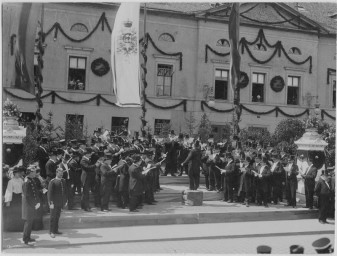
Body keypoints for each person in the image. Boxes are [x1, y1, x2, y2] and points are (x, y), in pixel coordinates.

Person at [22, 166, 41, 245]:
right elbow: (28, 196)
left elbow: (35, 192)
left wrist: (37, 202)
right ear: (30, 172)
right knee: (28, 222)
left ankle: (28, 237)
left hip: (32, 204)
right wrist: (34, 204)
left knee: (30, 222)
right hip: (29, 205)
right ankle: (25, 238)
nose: (35, 173)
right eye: (34, 172)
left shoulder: (31, 180)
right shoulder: (27, 181)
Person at [47, 168, 67, 238]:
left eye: (62, 173)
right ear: (56, 173)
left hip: (60, 202)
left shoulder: (63, 181)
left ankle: (55, 230)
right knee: (53, 217)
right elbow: (49, 194)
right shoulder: (53, 181)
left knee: (57, 216)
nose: (61, 174)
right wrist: (50, 203)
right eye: (60, 172)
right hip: (53, 203)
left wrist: (64, 201)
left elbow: (64, 192)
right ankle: (51, 231)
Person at [4, 167, 24, 232]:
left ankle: (20, 228)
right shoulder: (11, 181)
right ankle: (13, 228)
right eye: (17, 173)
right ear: (14, 173)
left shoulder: (21, 180)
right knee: (14, 213)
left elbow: (23, 189)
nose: (18, 174)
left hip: (20, 197)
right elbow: (9, 190)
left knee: (20, 212)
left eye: (19, 173)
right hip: (14, 198)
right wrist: (8, 201)